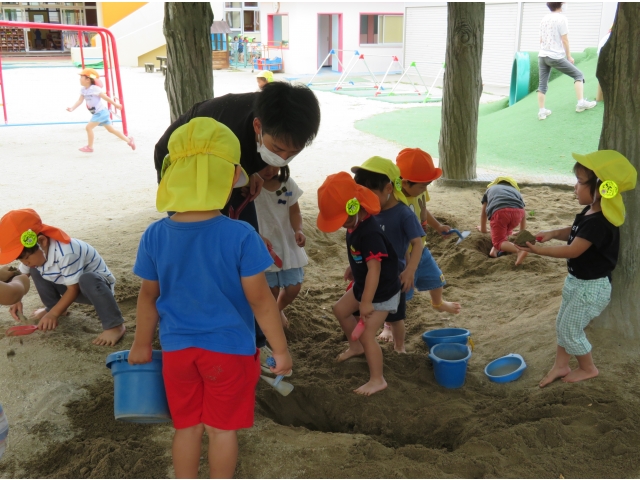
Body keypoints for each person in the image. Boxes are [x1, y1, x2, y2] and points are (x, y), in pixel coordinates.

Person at [129, 117, 292, 478]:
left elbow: (148, 297)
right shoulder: (241, 235)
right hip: (229, 352)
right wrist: (280, 351)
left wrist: (141, 344)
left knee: (186, 428)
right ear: (231, 176)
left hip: (178, 351)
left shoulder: (155, 235)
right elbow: (261, 302)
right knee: (221, 431)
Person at [153, 82, 320, 348]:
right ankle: (204, 326)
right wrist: (239, 236)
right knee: (206, 253)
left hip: (230, 166)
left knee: (248, 255)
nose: (283, 158)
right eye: (278, 149)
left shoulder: (275, 131)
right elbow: (214, 220)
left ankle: (256, 338)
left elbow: (261, 157)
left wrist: (252, 173)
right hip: (189, 169)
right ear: (257, 127)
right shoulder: (230, 130)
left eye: (293, 152)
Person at [517, 150, 637, 387]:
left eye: (580, 182)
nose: (575, 187)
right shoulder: (590, 211)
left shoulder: (601, 222)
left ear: (602, 188)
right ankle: (561, 365)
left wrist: (539, 251)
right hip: (577, 281)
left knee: (570, 329)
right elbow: (574, 232)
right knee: (562, 324)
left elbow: (573, 250)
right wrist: (552, 233)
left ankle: (588, 368)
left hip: (591, 288)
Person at [317, 172, 400, 396]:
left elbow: (375, 269)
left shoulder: (370, 233)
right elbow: (362, 257)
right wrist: (353, 268)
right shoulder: (354, 224)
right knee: (340, 309)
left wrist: (366, 302)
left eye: (342, 220)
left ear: (355, 207)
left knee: (366, 334)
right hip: (365, 284)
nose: (341, 226)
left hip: (381, 292)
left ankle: (377, 379)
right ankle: (356, 348)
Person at [0, 209, 126, 346]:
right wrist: (17, 298)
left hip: (96, 290)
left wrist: (53, 314)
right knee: (34, 268)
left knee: (87, 278)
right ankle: (54, 306)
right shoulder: (37, 254)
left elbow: (73, 289)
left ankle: (115, 326)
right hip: (68, 283)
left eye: (26, 258)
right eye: (21, 260)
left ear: (42, 241)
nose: (25, 263)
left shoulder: (67, 252)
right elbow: (22, 275)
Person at [351, 157, 423, 354]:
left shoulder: (403, 214)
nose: (365, 199)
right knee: (365, 307)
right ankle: (366, 342)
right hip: (371, 273)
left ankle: (399, 346)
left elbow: (417, 243)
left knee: (395, 317)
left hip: (393, 276)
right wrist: (354, 265)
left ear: (389, 188)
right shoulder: (369, 212)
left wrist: (410, 270)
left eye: (371, 193)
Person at [393, 148, 461, 326]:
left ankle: (438, 303)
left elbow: (423, 209)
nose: (425, 189)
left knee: (436, 278)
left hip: (421, 248)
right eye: (423, 186)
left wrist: (437, 226)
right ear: (405, 183)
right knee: (400, 293)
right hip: (403, 254)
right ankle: (388, 326)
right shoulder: (395, 200)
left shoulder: (419, 190)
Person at [254, 165, 307, 329]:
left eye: (274, 164)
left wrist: (298, 230)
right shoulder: (251, 186)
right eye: (264, 165)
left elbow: (295, 212)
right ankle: (272, 313)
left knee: (293, 288)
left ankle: (277, 309)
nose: (269, 170)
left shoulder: (287, 183)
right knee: (272, 290)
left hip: (286, 244)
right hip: (263, 245)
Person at [537, 2, 596, 120]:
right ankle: (581, 103)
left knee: (542, 85)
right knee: (578, 75)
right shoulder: (561, 19)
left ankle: (542, 112)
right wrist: (569, 56)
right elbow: (565, 40)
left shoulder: (544, 19)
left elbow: (541, 39)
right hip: (554, 56)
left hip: (542, 56)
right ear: (560, 5)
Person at [66, 68, 135, 153]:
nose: (79, 79)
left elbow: (106, 98)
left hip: (101, 113)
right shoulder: (83, 90)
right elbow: (80, 100)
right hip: (99, 113)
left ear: (88, 79)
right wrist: (72, 108)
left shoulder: (95, 88)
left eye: (81, 77)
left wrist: (115, 104)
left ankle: (90, 147)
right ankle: (129, 141)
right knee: (111, 130)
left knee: (88, 128)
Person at [477, 176, 529, 266]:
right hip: (518, 214)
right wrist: (521, 231)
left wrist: (483, 229)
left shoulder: (490, 189)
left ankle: (519, 250)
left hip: (500, 213)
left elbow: (483, 213)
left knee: (499, 241)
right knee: (505, 232)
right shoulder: (516, 191)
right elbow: (523, 212)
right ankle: (494, 251)